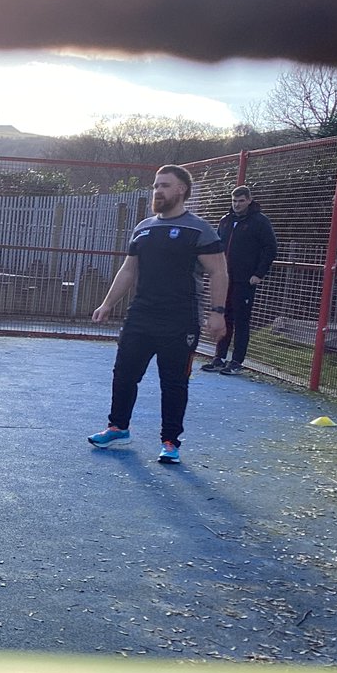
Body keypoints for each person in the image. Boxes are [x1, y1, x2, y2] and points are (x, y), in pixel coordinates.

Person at [88, 165, 228, 465]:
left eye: (164, 185)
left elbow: (218, 271)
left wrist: (218, 312)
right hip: (141, 314)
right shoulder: (144, 227)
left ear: (181, 190)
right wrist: (107, 303)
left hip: (180, 319)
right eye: (155, 186)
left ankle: (170, 442)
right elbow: (129, 270)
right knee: (124, 374)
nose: (158, 191)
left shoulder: (199, 230)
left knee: (174, 382)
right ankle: (118, 428)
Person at [202, 185, 277, 375]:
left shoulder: (260, 222)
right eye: (234, 201)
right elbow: (217, 247)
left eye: (241, 200)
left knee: (241, 320)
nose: (237, 204)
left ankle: (236, 361)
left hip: (245, 280)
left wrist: (258, 274)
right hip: (225, 280)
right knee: (223, 316)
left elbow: (270, 248)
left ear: (249, 200)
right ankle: (218, 358)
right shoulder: (225, 221)